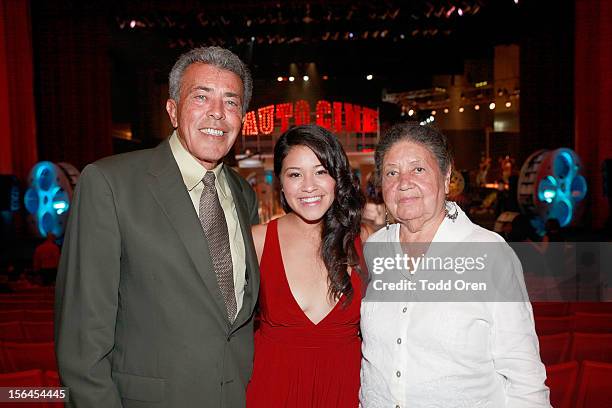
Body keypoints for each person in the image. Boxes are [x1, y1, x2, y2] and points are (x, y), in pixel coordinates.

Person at [55, 46, 260, 407]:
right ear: (173, 111)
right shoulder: (110, 183)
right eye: (201, 97)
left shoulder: (243, 195)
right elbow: (81, 344)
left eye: (231, 102)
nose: (217, 112)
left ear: (241, 117)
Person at [359, 123, 550, 407]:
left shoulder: (489, 253)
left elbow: (524, 379)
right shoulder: (375, 249)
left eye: (418, 169)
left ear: (446, 176)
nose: (404, 182)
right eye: (391, 172)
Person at [246, 125, 365, 407]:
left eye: (321, 171)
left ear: (337, 177)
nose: (308, 186)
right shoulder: (258, 239)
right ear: (281, 183)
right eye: (295, 174)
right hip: (272, 390)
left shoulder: (366, 242)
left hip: (344, 391)